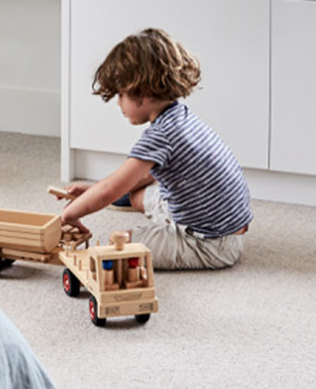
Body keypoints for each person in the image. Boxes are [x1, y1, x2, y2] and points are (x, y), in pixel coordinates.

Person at [55, 27, 251, 270]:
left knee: (120, 244)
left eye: (121, 94)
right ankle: (139, 206)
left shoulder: (160, 136)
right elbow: (140, 176)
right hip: (226, 226)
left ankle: (173, 234)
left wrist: (69, 215)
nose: (118, 103)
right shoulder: (179, 117)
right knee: (137, 196)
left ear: (143, 93)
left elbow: (110, 189)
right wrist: (94, 190)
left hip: (210, 243)